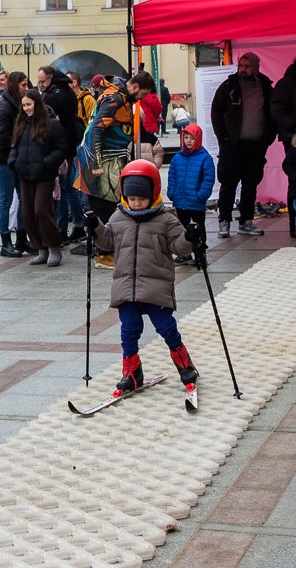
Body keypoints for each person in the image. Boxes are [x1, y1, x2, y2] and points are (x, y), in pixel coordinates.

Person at [91, 159, 200, 400]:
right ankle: (132, 372)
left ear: (153, 194)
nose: (136, 203)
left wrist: (191, 237)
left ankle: (186, 366)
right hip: (126, 288)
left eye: (141, 198)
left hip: (156, 288)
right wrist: (95, 227)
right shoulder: (119, 217)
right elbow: (107, 241)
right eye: (132, 198)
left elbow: (178, 247)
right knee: (129, 331)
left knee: (166, 328)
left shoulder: (165, 218)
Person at [80, 73, 151, 261]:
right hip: (103, 161)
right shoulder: (115, 98)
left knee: (110, 205)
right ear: (135, 87)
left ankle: (108, 251)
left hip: (110, 159)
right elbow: (97, 128)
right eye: (142, 94)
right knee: (105, 208)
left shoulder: (119, 95)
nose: (142, 99)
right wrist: (95, 161)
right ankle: (105, 253)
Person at [210, 53, 273, 238]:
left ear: (256, 66)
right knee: (228, 185)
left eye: (247, 66)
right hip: (232, 147)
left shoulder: (266, 87)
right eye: (241, 66)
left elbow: (273, 114)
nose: (243, 69)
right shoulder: (229, 86)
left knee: (250, 185)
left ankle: (246, 221)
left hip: (255, 146)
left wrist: (267, 139)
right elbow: (216, 111)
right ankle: (224, 222)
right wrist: (223, 138)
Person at [10, 88, 71, 267]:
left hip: (44, 174)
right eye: (24, 105)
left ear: (37, 103)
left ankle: (53, 246)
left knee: (41, 210)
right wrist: (14, 161)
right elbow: (14, 145)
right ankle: (40, 248)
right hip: (25, 173)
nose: (27, 108)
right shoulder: (20, 123)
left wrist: (47, 163)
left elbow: (62, 148)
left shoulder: (52, 124)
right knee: (27, 213)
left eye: (29, 105)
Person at [37, 64, 86, 241]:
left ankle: (62, 229)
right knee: (69, 189)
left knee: (63, 190)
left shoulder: (55, 95)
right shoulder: (66, 90)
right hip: (69, 144)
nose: (40, 84)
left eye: (42, 81)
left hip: (61, 146)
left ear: (51, 77)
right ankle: (77, 225)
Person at [0, 71, 30, 258]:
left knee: (22, 197)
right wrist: (14, 152)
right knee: (5, 199)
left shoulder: (16, 105)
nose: (27, 89)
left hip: (15, 158)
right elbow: (1, 137)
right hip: (4, 160)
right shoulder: (4, 107)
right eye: (23, 85)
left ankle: (21, 238)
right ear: (14, 85)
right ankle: (5, 242)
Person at [166, 124, 214, 266]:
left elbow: (208, 179)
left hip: (196, 202)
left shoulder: (205, 158)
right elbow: (172, 176)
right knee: (182, 228)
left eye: (192, 138)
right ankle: (185, 253)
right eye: (185, 137)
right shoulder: (177, 158)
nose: (188, 141)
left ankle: (200, 254)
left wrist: (202, 195)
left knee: (199, 228)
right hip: (180, 200)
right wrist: (172, 192)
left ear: (198, 139)